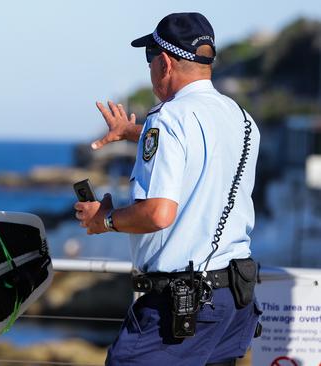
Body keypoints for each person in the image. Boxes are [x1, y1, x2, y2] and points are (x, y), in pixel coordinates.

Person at [75, 13, 262, 366]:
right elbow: (202, 144)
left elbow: (159, 213)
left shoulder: (169, 118)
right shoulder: (243, 120)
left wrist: (106, 219)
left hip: (181, 308)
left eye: (149, 59)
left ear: (164, 63)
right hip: (234, 301)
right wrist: (139, 133)